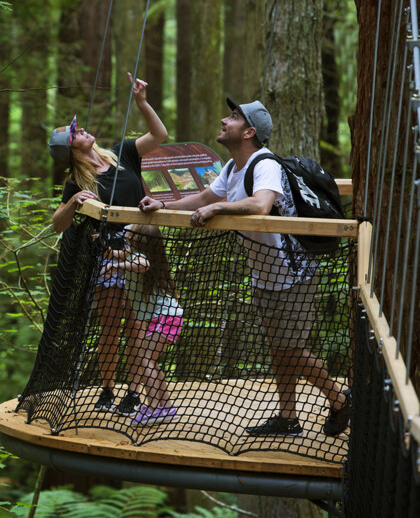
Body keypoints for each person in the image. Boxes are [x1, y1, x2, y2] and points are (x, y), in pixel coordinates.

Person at [139, 98, 352, 437]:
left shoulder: (263, 163)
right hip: (265, 273)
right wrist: (163, 203)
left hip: (293, 272)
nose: (225, 120)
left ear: (249, 131)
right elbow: (203, 198)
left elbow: (262, 203)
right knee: (279, 350)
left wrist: (219, 209)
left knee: (290, 349)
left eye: (234, 117)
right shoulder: (232, 167)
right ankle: (288, 418)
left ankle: (339, 397)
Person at [49, 73, 168, 413]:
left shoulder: (122, 154)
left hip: (142, 252)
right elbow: (58, 225)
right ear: (72, 148)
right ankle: (107, 389)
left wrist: (142, 104)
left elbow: (160, 135)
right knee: (112, 326)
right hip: (107, 260)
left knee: (138, 326)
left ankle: (133, 392)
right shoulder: (76, 181)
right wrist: (73, 203)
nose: (83, 130)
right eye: (77, 133)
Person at [102, 224, 183, 424]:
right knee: (149, 359)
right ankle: (165, 406)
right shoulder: (131, 253)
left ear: (140, 240)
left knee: (145, 358)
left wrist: (116, 266)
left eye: (131, 232)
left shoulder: (142, 258)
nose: (127, 231)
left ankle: (155, 407)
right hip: (166, 317)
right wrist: (102, 245)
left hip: (166, 317)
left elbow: (142, 264)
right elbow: (116, 254)